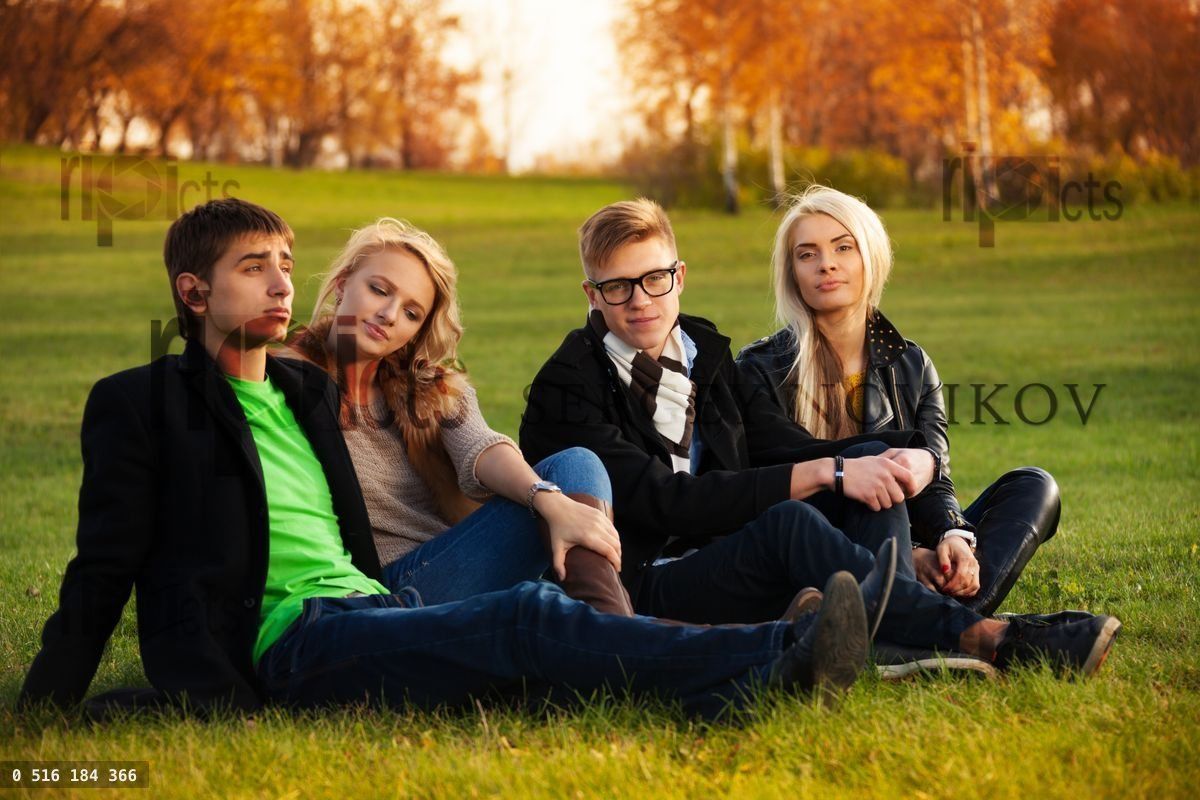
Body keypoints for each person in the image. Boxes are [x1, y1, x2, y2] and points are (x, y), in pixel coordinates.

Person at [17, 197, 877, 721]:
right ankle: (779, 654)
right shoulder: (160, 400)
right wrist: (46, 704)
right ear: (194, 291)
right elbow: (105, 561)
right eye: (255, 269)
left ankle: (747, 656)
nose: (281, 283)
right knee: (528, 619)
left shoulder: (303, 393)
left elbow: (478, 446)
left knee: (559, 517)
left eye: (284, 265)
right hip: (298, 635)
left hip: (368, 604)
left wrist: (544, 499)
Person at [519, 197, 1120, 677]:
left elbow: (780, 447)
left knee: (866, 464)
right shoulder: (569, 384)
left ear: (679, 277)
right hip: (646, 581)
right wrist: (829, 473)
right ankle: (989, 636)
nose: (640, 301)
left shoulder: (703, 352)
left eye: (653, 279)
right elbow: (667, 501)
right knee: (794, 520)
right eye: (617, 287)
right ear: (592, 295)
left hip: (724, 557)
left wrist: (903, 455)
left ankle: (891, 632)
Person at [736, 185, 1062, 616]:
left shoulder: (911, 364)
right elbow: (775, 489)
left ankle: (939, 616)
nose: (826, 264)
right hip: (821, 548)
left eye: (843, 247)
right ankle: (938, 620)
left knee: (1034, 486)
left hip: (907, 527)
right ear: (792, 272)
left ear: (870, 257)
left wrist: (950, 535)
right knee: (871, 461)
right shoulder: (759, 368)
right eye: (807, 254)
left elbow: (934, 475)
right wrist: (905, 555)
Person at [286, 218, 632, 615]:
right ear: (342, 283)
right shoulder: (287, 380)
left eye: (411, 313)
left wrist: (550, 501)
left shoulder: (429, 387)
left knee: (577, 465)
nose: (389, 314)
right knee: (554, 598)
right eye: (378, 290)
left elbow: (481, 448)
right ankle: (619, 631)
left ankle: (613, 627)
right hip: (384, 589)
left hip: (455, 563)